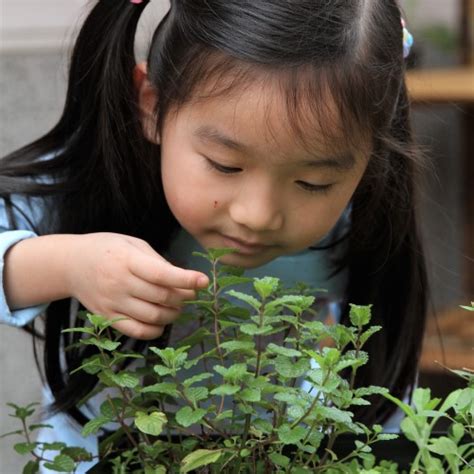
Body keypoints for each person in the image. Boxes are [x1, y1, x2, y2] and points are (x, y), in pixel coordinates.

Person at [0, 0, 427, 469]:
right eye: (225, 165)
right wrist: (67, 264)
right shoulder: (96, 186)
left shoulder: (363, 231)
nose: (259, 215)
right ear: (153, 105)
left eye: (313, 183)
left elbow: (381, 418)